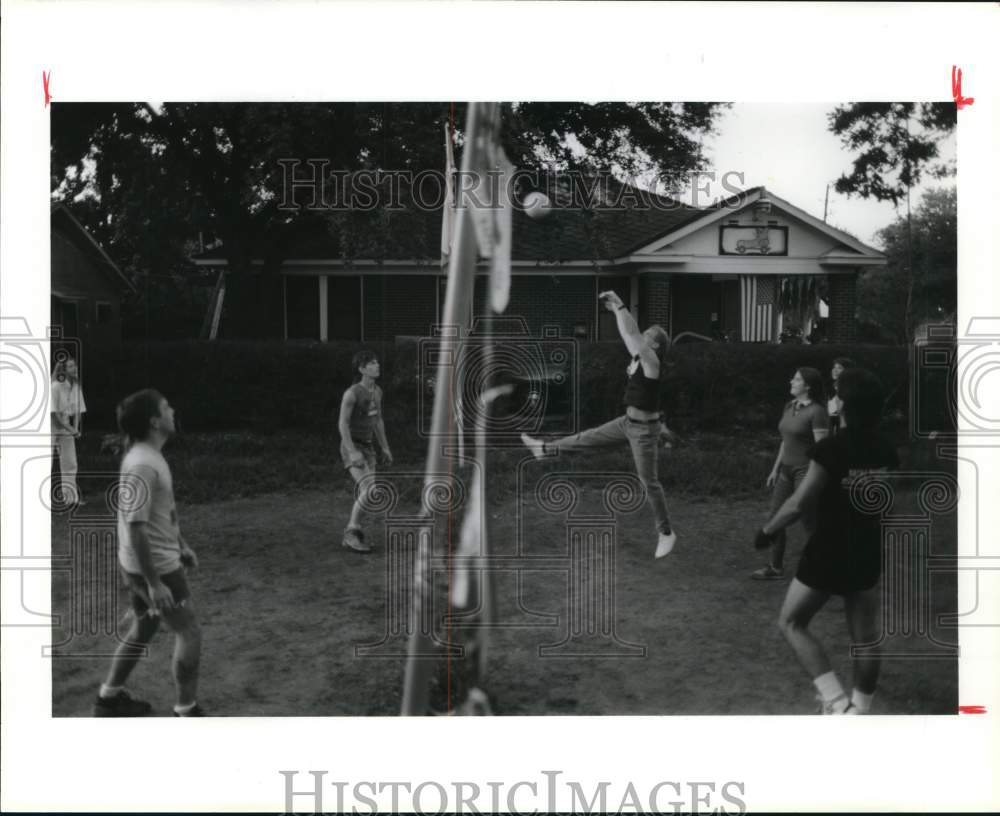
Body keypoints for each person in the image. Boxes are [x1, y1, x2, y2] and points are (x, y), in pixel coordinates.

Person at [753, 368, 899, 714]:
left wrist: (768, 531)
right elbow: (886, 506)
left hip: (829, 549)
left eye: (837, 394)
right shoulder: (886, 449)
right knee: (865, 638)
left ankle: (835, 702)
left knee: (791, 622)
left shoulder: (832, 449)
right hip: (866, 549)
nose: (833, 398)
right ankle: (860, 711)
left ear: (845, 405)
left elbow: (799, 503)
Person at [521, 290, 677, 559]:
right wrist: (617, 311)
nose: (643, 335)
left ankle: (666, 533)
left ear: (655, 346)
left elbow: (634, 334)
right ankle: (544, 449)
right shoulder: (641, 356)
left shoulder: (652, 362)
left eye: (649, 335)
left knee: (649, 482)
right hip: (627, 423)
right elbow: (629, 334)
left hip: (643, 432)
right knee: (585, 438)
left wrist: (621, 304)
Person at [93, 389, 204, 717]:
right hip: (154, 567)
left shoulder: (148, 455)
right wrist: (155, 583)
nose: (173, 410)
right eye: (167, 407)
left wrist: (180, 543)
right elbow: (137, 526)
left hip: (143, 563)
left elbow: (160, 512)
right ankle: (186, 710)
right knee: (189, 631)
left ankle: (109, 698)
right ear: (155, 421)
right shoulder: (143, 463)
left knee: (144, 627)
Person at [752, 368, 829, 580]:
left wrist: (814, 479)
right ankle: (775, 568)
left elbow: (822, 451)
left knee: (810, 523)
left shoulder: (817, 412)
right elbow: (785, 442)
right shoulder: (789, 406)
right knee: (776, 517)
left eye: (796, 379)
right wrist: (775, 469)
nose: (791, 381)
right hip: (786, 471)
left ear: (808, 386)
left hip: (806, 472)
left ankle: (826, 567)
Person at [338, 350, 393, 553]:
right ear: (362, 369)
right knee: (369, 490)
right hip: (352, 445)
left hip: (368, 447)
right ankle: (351, 531)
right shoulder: (352, 393)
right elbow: (342, 424)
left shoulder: (377, 392)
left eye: (377, 362)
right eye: (371, 363)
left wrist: (385, 447)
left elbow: (378, 421)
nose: (377, 365)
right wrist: (352, 452)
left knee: (370, 492)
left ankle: (352, 533)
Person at [50, 357, 87, 506]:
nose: (74, 369)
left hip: (64, 424)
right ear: (64, 370)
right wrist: (71, 429)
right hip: (49, 426)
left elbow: (78, 411)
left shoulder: (76, 386)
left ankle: (71, 499)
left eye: (75, 366)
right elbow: (54, 415)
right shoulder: (56, 386)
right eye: (70, 367)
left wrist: (76, 428)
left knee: (70, 462)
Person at [826, 356, 856, 435]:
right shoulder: (834, 387)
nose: (834, 370)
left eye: (839, 368)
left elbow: (838, 411)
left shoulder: (849, 390)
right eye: (834, 367)